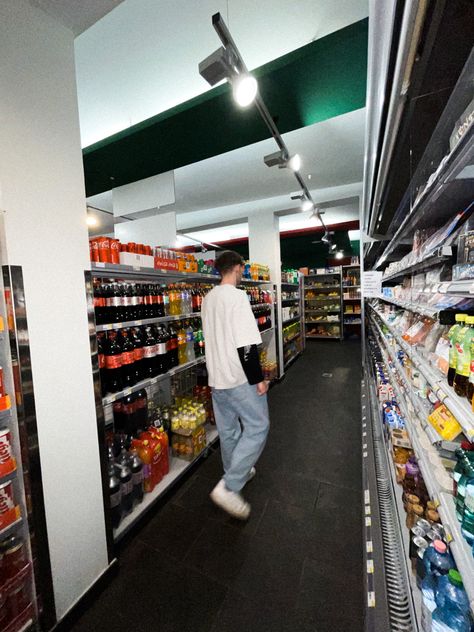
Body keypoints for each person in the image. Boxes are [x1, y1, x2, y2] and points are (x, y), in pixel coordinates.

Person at [201, 250, 270, 520]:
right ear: (239, 268)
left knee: (229, 431)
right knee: (258, 426)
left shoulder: (208, 299)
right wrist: (259, 379)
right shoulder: (238, 297)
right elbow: (246, 346)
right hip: (238, 378)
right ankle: (230, 487)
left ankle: (237, 472)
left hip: (216, 378)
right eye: (243, 269)